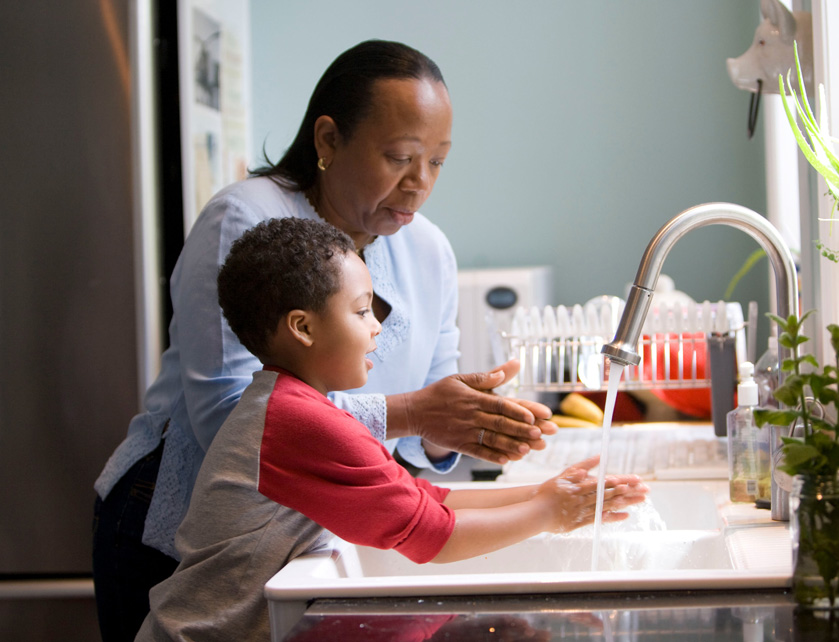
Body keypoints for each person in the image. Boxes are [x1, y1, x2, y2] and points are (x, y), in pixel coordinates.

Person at [93, 39, 558, 641]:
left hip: (308, 533)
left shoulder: (429, 249)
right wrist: (414, 412)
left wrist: (459, 426)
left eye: (438, 162)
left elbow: (419, 444)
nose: (420, 183)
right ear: (328, 140)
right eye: (400, 157)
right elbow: (230, 421)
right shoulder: (245, 217)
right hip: (174, 522)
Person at [135, 217, 648, 641]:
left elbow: (422, 498)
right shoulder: (298, 422)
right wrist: (549, 512)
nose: (377, 326)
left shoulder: (296, 406)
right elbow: (433, 538)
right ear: (304, 328)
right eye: (361, 311)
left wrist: (538, 492)